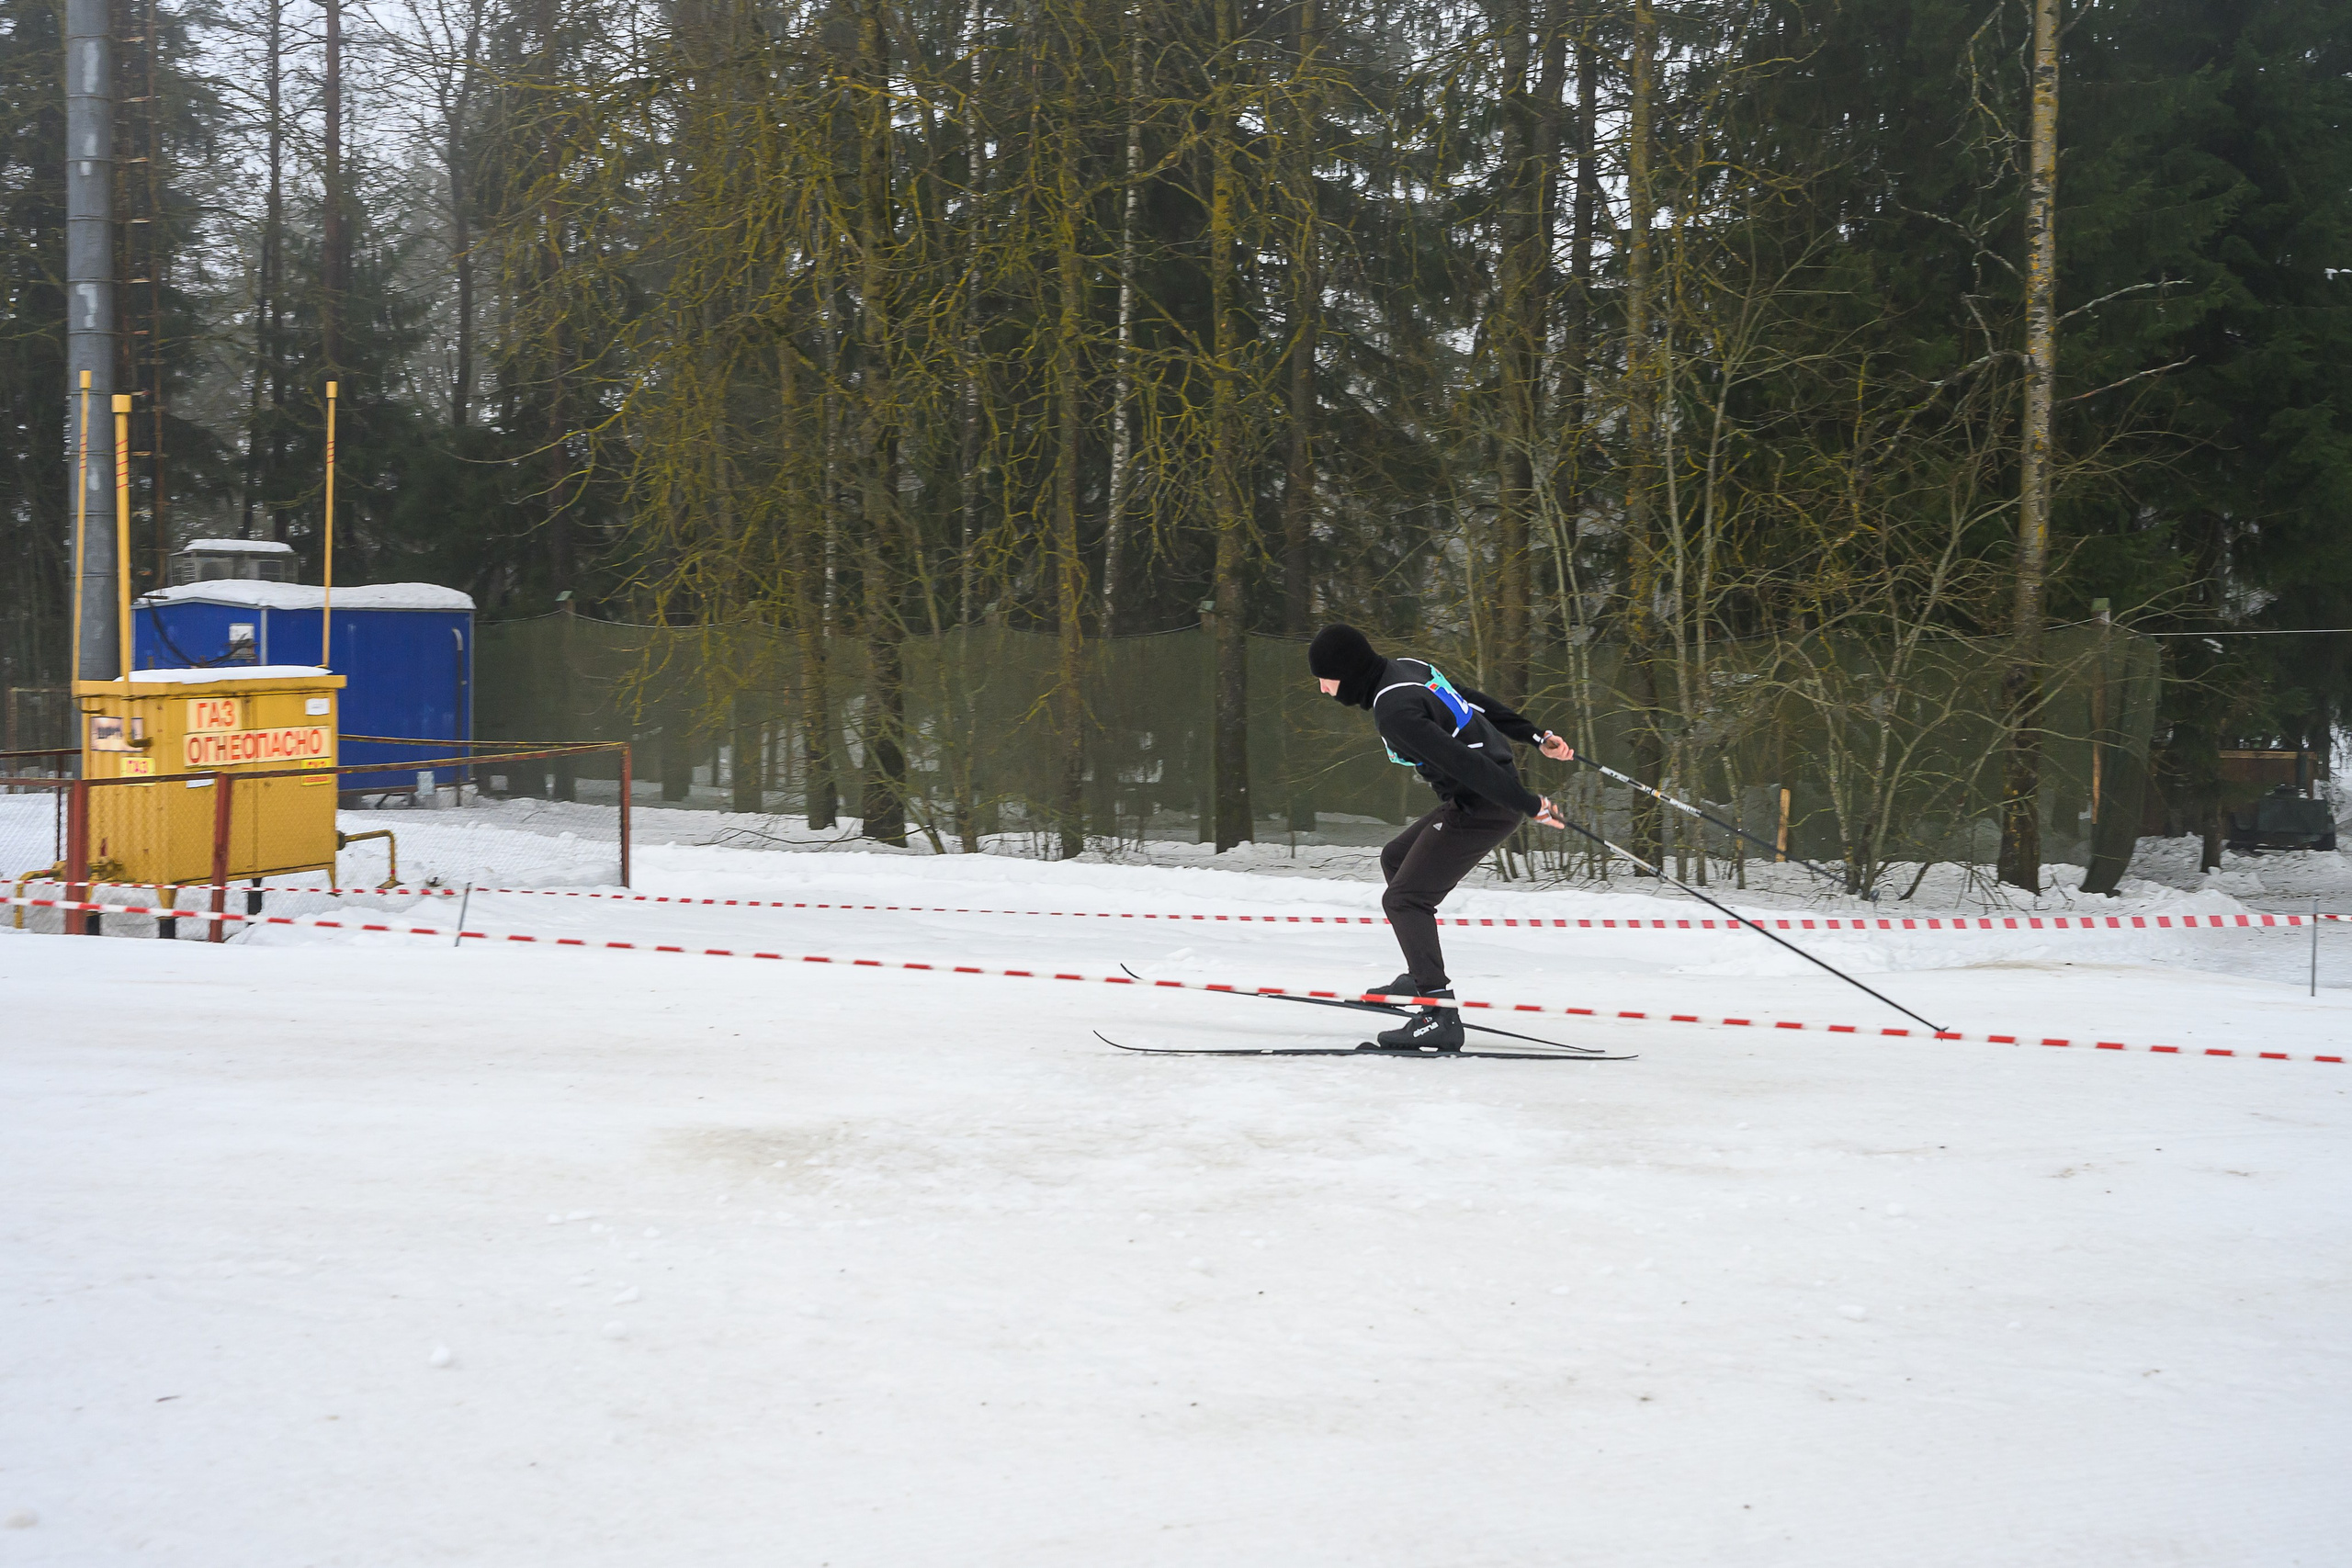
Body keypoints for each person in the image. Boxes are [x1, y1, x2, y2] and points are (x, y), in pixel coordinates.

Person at [1306, 624, 1575, 1051]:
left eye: (1325, 678)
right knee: (1396, 859)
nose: (1323, 689)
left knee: (1403, 899)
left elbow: (1462, 763)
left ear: (1347, 672)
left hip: (1485, 802)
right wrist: (1534, 735)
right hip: (1479, 795)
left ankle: (1438, 1014)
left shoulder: (1393, 710)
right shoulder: (1405, 668)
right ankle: (1420, 973)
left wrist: (1527, 803)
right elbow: (1473, 701)